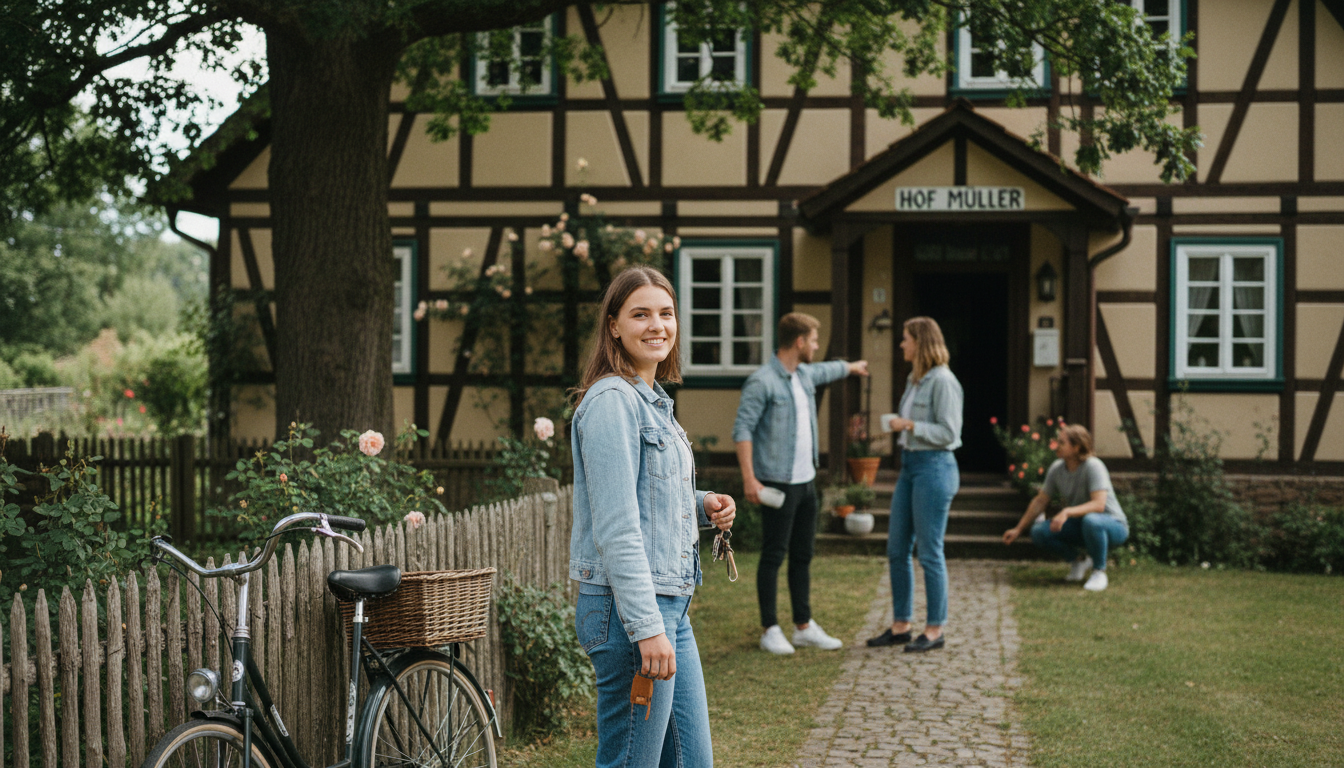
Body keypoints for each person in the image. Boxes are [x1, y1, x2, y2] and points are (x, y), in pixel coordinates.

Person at [569, 265, 736, 768]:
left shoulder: (652, 401)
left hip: (669, 608)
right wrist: (646, 627)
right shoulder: (611, 402)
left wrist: (701, 503)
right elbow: (617, 527)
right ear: (614, 326)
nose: (657, 325)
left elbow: (647, 496)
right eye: (640, 314)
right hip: (629, 612)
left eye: (666, 313)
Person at [733, 312, 868, 655]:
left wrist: (852, 367)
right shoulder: (762, 382)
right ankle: (770, 629)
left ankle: (803, 627)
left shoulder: (804, 374)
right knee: (773, 554)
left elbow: (828, 370)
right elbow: (743, 429)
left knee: (803, 555)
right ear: (799, 341)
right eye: (814, 341)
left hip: (807, 481)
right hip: (777, 483)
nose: (816, 347)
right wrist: (749, 479)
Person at [867, 316, 962, 653]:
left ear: (920, 342)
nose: (901, 344)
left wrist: (909, 425)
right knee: (897, 549)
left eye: (906, 338)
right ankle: (901, 625)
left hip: (934, 468)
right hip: (909, 467)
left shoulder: (943, 381)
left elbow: (949, 433)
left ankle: (935, 629)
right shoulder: (915, 379)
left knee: (930, 552)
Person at [1002, 424, 1129, 592]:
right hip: (1082, 524)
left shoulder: (1093, 466)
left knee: (1092, 520)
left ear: (1076, 447)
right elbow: (1040, 501)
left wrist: (1066, 512)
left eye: (1062, 442)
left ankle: (1099, 571)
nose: (1057, 445)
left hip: (1113, 526)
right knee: (1039, 532)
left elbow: (1098, 505)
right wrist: (1018, 529)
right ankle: (1079, 561)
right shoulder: (1057, 468)